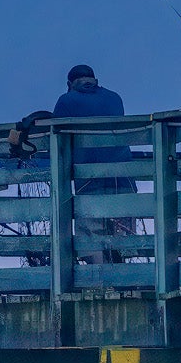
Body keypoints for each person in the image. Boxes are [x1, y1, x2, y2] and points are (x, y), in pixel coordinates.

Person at [52, 64, 136, 263]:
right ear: (94, 79)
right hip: (124, 180)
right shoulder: (115, 97)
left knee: (90, 238)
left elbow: (56, 138)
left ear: (68, 84)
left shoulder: (66, 100)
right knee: (121, 238)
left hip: (90, 182)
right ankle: (125, 283)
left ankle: (101, 285)